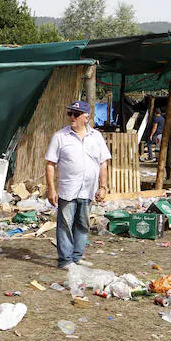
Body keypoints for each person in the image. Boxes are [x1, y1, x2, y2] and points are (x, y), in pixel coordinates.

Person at [45, 100, 112, 269]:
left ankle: (77, 256)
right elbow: (50, 164)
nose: (72, 117)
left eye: (76, 114)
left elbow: (103, 162)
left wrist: (102, 186)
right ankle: (65, 260)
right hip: (68, 189)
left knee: (83, 224)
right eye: (70, 114)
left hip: (88, 190)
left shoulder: (96, 137)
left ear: (86, 117)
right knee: (65, 224)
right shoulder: (60, 136)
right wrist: (51, 189)